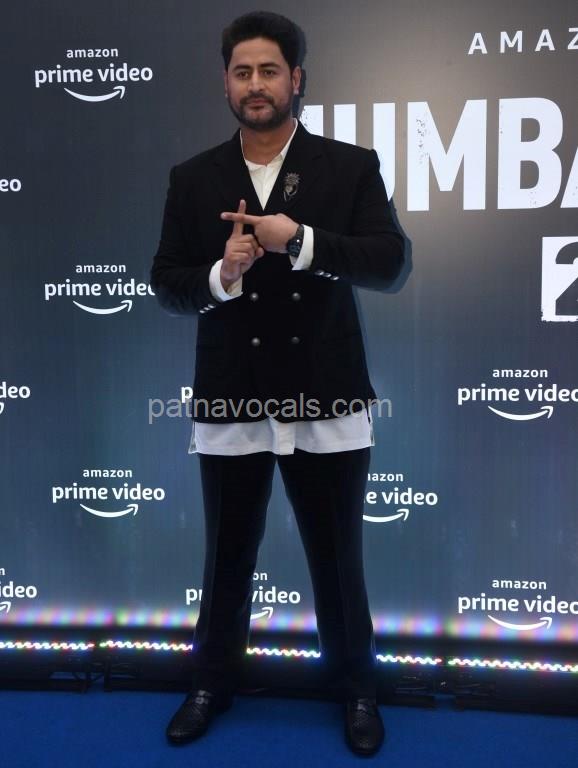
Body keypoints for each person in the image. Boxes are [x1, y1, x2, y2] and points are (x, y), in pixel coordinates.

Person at [151, 10, 405, 757]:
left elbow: (388, 261)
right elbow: (166, 282)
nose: (255, 84)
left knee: (338, 559)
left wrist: (299, 240)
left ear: (297, 79)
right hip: (232, 393)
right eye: (242, 72)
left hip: (326, 391)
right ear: (226, 83)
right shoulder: (194, 177)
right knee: (227, 557)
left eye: (269, 70)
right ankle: (210, 684)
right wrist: (220, 274)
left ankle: (357, 690)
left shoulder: (348, 166)